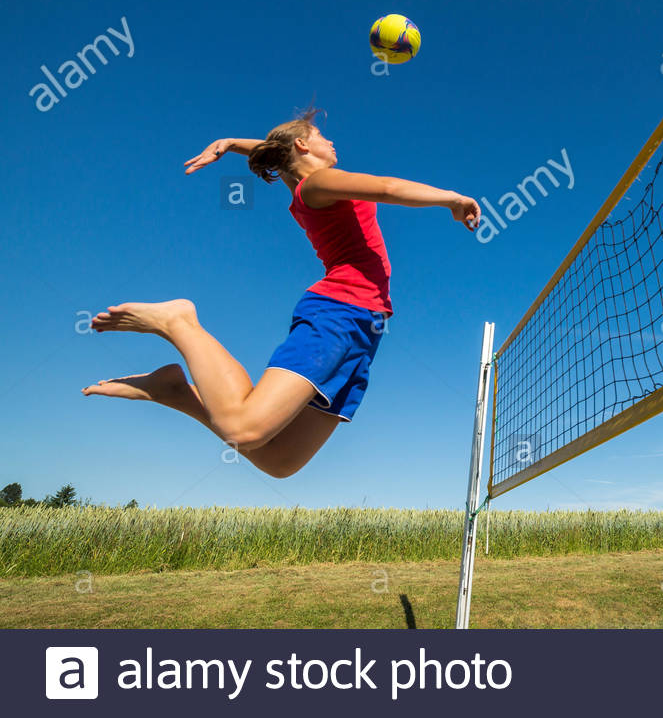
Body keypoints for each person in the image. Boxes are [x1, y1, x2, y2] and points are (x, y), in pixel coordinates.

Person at [82, 109, 480, 478]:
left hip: (363, 328)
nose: (331, 141)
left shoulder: (302, 182)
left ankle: (176, 392)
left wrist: (230, 143)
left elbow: (276, 154)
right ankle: (180, 322)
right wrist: (453, 198)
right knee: (244, 428)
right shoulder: (318, 183)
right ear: (304, 146)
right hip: (339, 314)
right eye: (321, 134)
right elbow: (389, 187)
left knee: (279, 461)